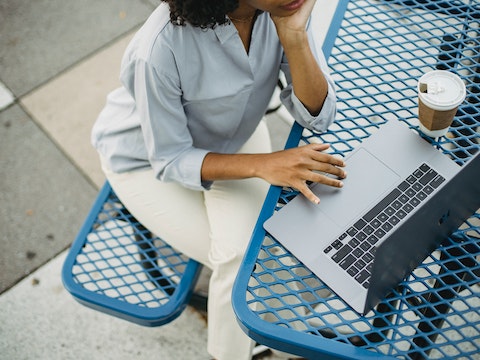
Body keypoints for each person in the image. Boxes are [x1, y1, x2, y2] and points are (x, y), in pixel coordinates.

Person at [91, 0, 347, 359]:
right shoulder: (158, 49)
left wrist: (296, 38)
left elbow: (318, 116)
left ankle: (277, 339)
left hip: (234, 136)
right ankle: (253, 347)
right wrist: (263, 164)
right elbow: (170, 159)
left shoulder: (284, 10)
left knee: (260, 256)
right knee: (244, 259)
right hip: (144, 164)